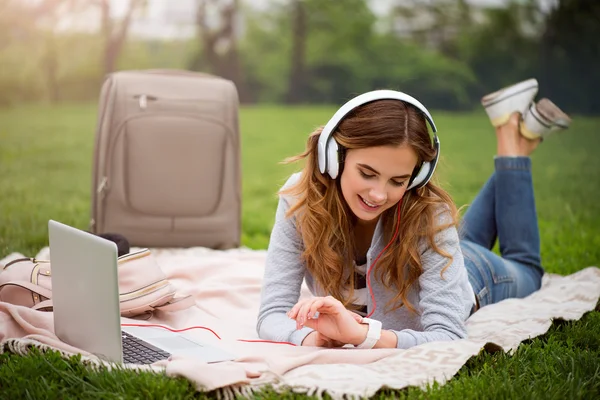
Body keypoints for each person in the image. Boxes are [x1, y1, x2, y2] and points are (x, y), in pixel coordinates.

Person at [256, 84, 571, 349]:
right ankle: (524, 135)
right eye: (367, 173)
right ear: (334, 157)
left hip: (475, 276)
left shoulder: (428, 214)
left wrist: (365, 336)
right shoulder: (300, 199)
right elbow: (272, 313)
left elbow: (447, 334)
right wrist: (312, 338)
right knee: (465, 238)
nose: (379, 194)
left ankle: (510, 137)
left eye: (398, 181)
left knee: (527, 268)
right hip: (441, 251)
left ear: (417, 177)